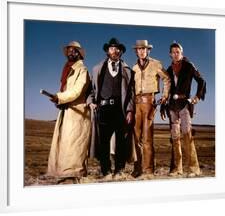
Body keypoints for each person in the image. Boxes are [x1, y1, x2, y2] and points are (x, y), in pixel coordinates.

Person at [87, 38, 135, 178]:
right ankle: (106, 171)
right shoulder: (97, 69)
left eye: (117, 48)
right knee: (103, 142)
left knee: (121, 141)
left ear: (120, 51)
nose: (114, 51)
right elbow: (90, 90)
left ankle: (119, 170)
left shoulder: (128, 71)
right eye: (112, 48)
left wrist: (130, 110)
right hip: (103, 109)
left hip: (120, 109)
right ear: (108, 51)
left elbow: (131, 93)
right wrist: (91, 102)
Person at [47, 41, 91, 184]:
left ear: (79, 53)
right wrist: (59, 99)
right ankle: (63, 174)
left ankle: (74, 175)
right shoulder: (67, 69)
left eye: (73, 50)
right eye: (69, 50)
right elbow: (66, 90)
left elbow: (77, 91)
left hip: (78, 112)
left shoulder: (82, 70)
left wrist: (59, 97)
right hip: (67, 109)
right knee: (65, 142)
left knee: (75, 143)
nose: (70, 52)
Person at [161, 42, 206, 177]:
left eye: (178, 52)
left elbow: (202, 81)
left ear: (182, 53)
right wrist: (164, 106)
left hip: (185, 105)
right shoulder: (169, 69)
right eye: (173, 52)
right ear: (170, 54)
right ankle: (177, 169)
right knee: (175, 138)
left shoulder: (189, 66)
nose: (175, 54)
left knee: (187, 136)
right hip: (172, 107)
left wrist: (197, 97)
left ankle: (194, 168)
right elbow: (167, 90)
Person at [131, 40, 170, 178]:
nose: (141, 51)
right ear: (136, 51)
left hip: (149, 103)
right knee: (135, 138)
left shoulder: (156, 64)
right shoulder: (134, 68)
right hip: (136, 104)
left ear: (148, 50)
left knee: (147, 138)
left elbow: (166, 79)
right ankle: (137, 168)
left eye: (144, 49)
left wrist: (165, 96)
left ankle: (148, 170)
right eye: (139, 49)